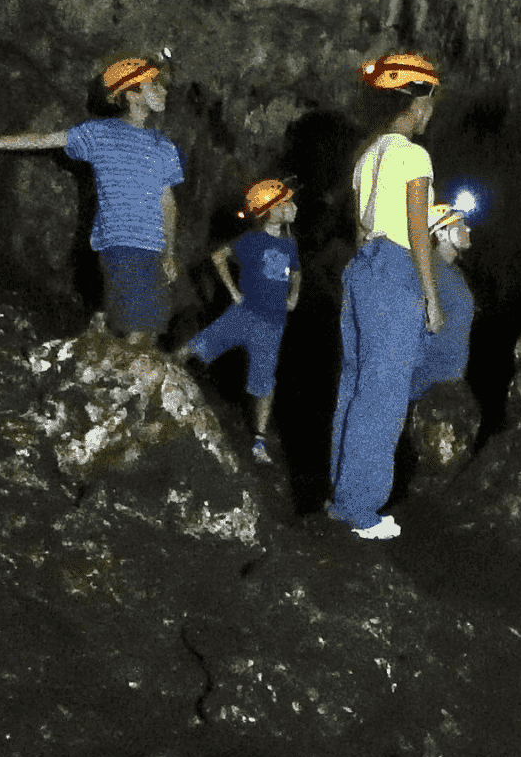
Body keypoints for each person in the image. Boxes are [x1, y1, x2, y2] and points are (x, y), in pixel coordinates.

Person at [0, 57, 184, 343]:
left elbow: (167, 203)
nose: (163, 91)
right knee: (138, 328)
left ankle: (93, 355)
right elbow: (43, 139)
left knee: (147, 334)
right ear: (131, 94)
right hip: (121, 241)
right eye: (153, 85)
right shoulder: (100, 133)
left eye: (163, 86)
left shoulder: (164, 147)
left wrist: (169, 252)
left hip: (153, 248)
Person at [328, 50, 443, 540]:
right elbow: (418, 228)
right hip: (396, 268)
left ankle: (343, 498)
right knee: (384, 390)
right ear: (416, 103)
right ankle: (361, 510)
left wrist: (365, 278)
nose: (431, 111)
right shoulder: (414, 155)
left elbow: (360, 230)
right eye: (430, 101)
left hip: (362, 269)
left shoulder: (367, 157)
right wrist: (430, 296)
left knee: (356, 386)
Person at [184, 179, 301, 464]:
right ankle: (160, 370)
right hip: (245, 314)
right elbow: (218, 257)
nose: (291, 207)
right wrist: (234, 293)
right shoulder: (251, 241)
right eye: (285, 203)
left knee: (265, 382)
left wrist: (294, 295)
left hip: (272, 323)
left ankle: (259, 441)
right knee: (198, 347)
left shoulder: (289, 245)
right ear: (271, 211)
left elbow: (297, 272)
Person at [408, 202, 475, 401]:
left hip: (449, 385)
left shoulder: (453, 272)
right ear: (441, 234)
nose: (467, 229)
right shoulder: (429, 274)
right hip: (426, 389)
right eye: (459, 226)